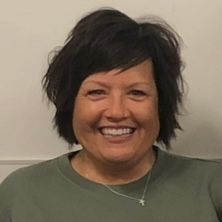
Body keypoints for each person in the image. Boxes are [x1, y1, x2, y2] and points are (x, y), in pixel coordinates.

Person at [0, 7, 221, 222]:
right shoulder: (20, 194)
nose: (117, 111)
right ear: (70, 103)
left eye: (137, 93)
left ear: (160, 104)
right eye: (97, 92)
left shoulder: (212, 186)